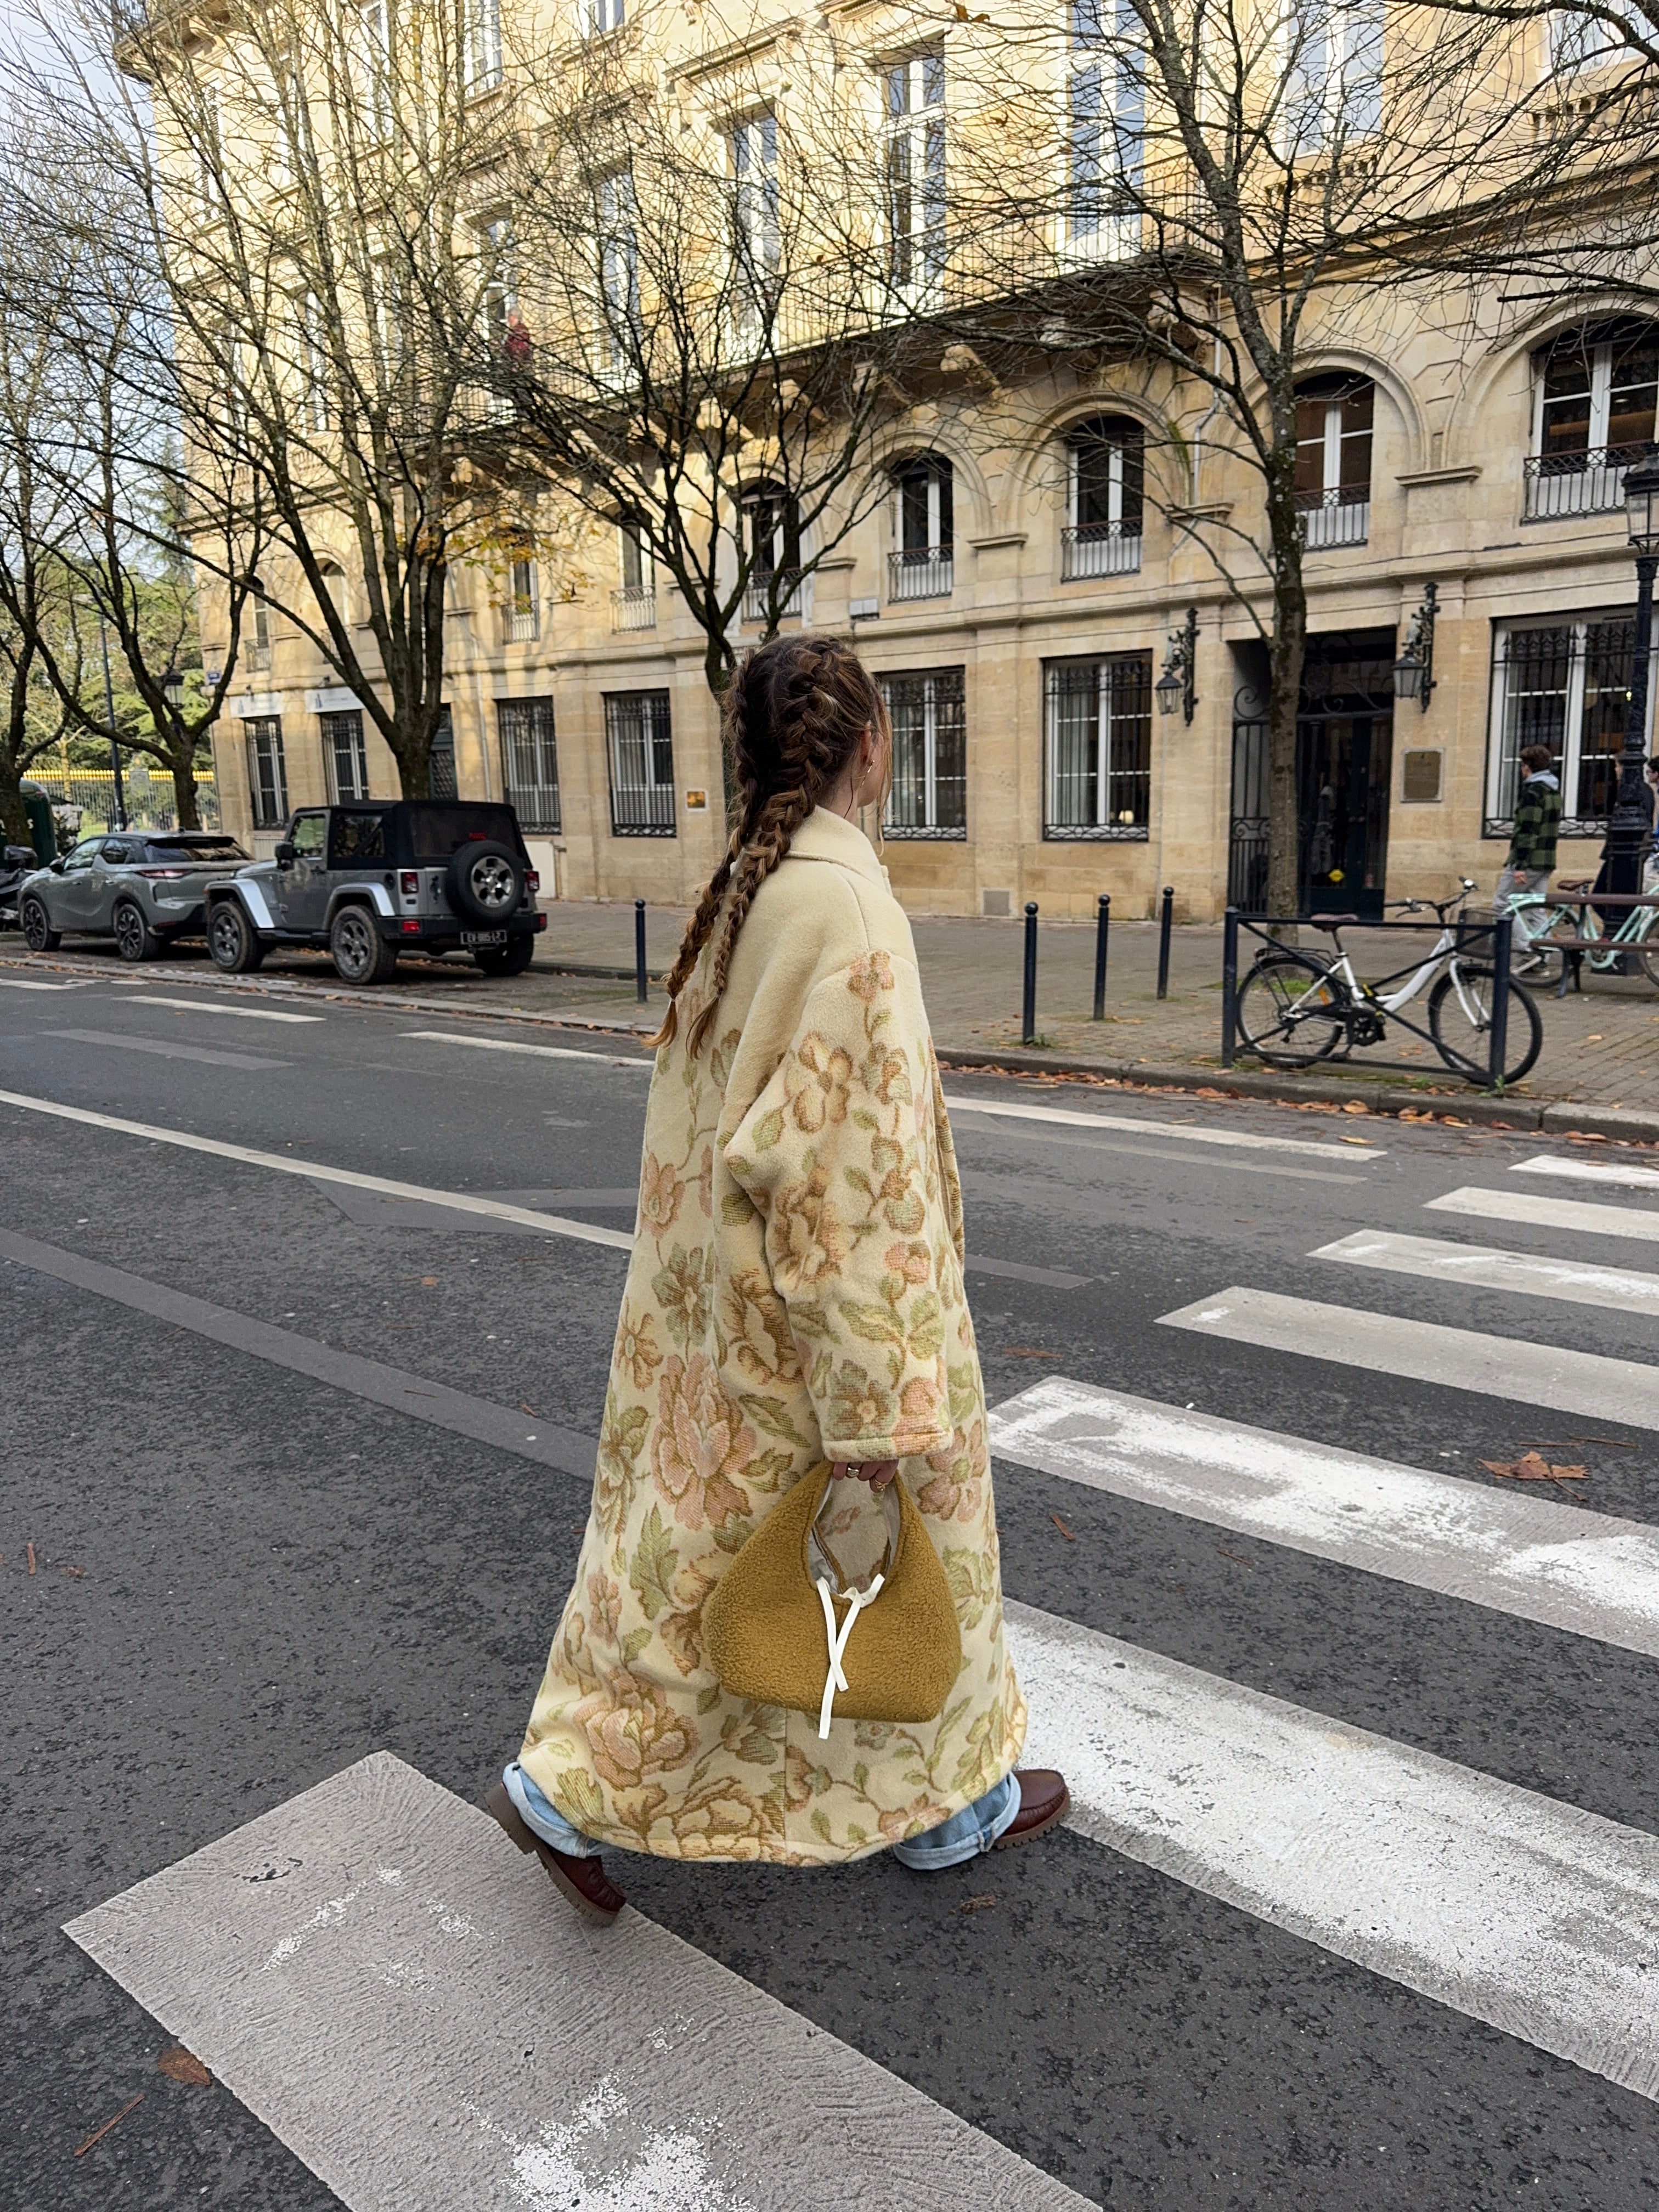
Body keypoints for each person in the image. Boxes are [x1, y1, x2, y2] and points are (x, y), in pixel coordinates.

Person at [486, 631, 1065, 1921]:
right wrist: (882, 1410)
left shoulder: (751, 892)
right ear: (874, 750)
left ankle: (931, 1801)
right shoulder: (850, 910)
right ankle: (930, 1808)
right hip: (818, 1340)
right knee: (863, 1579)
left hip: (715, 1321)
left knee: (694, 1577)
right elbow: (848, 1185)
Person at [1494, 744, 1562, 911]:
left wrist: (1520, 865)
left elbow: (1528, 830)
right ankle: (1539, 938)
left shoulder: (1533, 793)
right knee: (1535, 909)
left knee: (1503, 903)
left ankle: (1520, 939)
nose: (1521, 770)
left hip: (1530, 861)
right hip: (1546, 860)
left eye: (1522, 765)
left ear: (1528, 766)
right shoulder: (1553, 791)